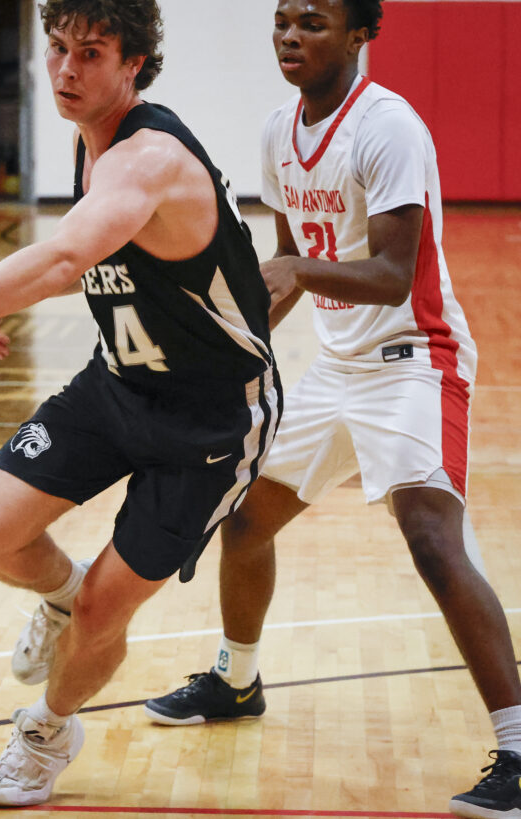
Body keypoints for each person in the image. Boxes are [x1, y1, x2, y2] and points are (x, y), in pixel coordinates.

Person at [0, 0, 280, 806]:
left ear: (134, 65)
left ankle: (47, 731)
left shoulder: (149, 155)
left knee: (104, 614)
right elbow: (88, 265)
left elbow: (64, 258)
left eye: (90, 53)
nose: (65, 68)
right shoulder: (89, 141)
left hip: (211, 421)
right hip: (119, 384)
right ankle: (62, 593)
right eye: (57, 47)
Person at [142, 2, 521, 816]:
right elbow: (286, 263)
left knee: (430, 536)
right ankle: (236, 681)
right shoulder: (280, 128)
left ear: (359, 35)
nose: (289, 36)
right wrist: (233, 354)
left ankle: (520, 748)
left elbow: (389, 272)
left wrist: (302, 274)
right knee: (244, 519)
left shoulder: (388, 128)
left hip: (416, 359)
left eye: (312, 22)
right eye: (282, 20)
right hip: (338, 363)